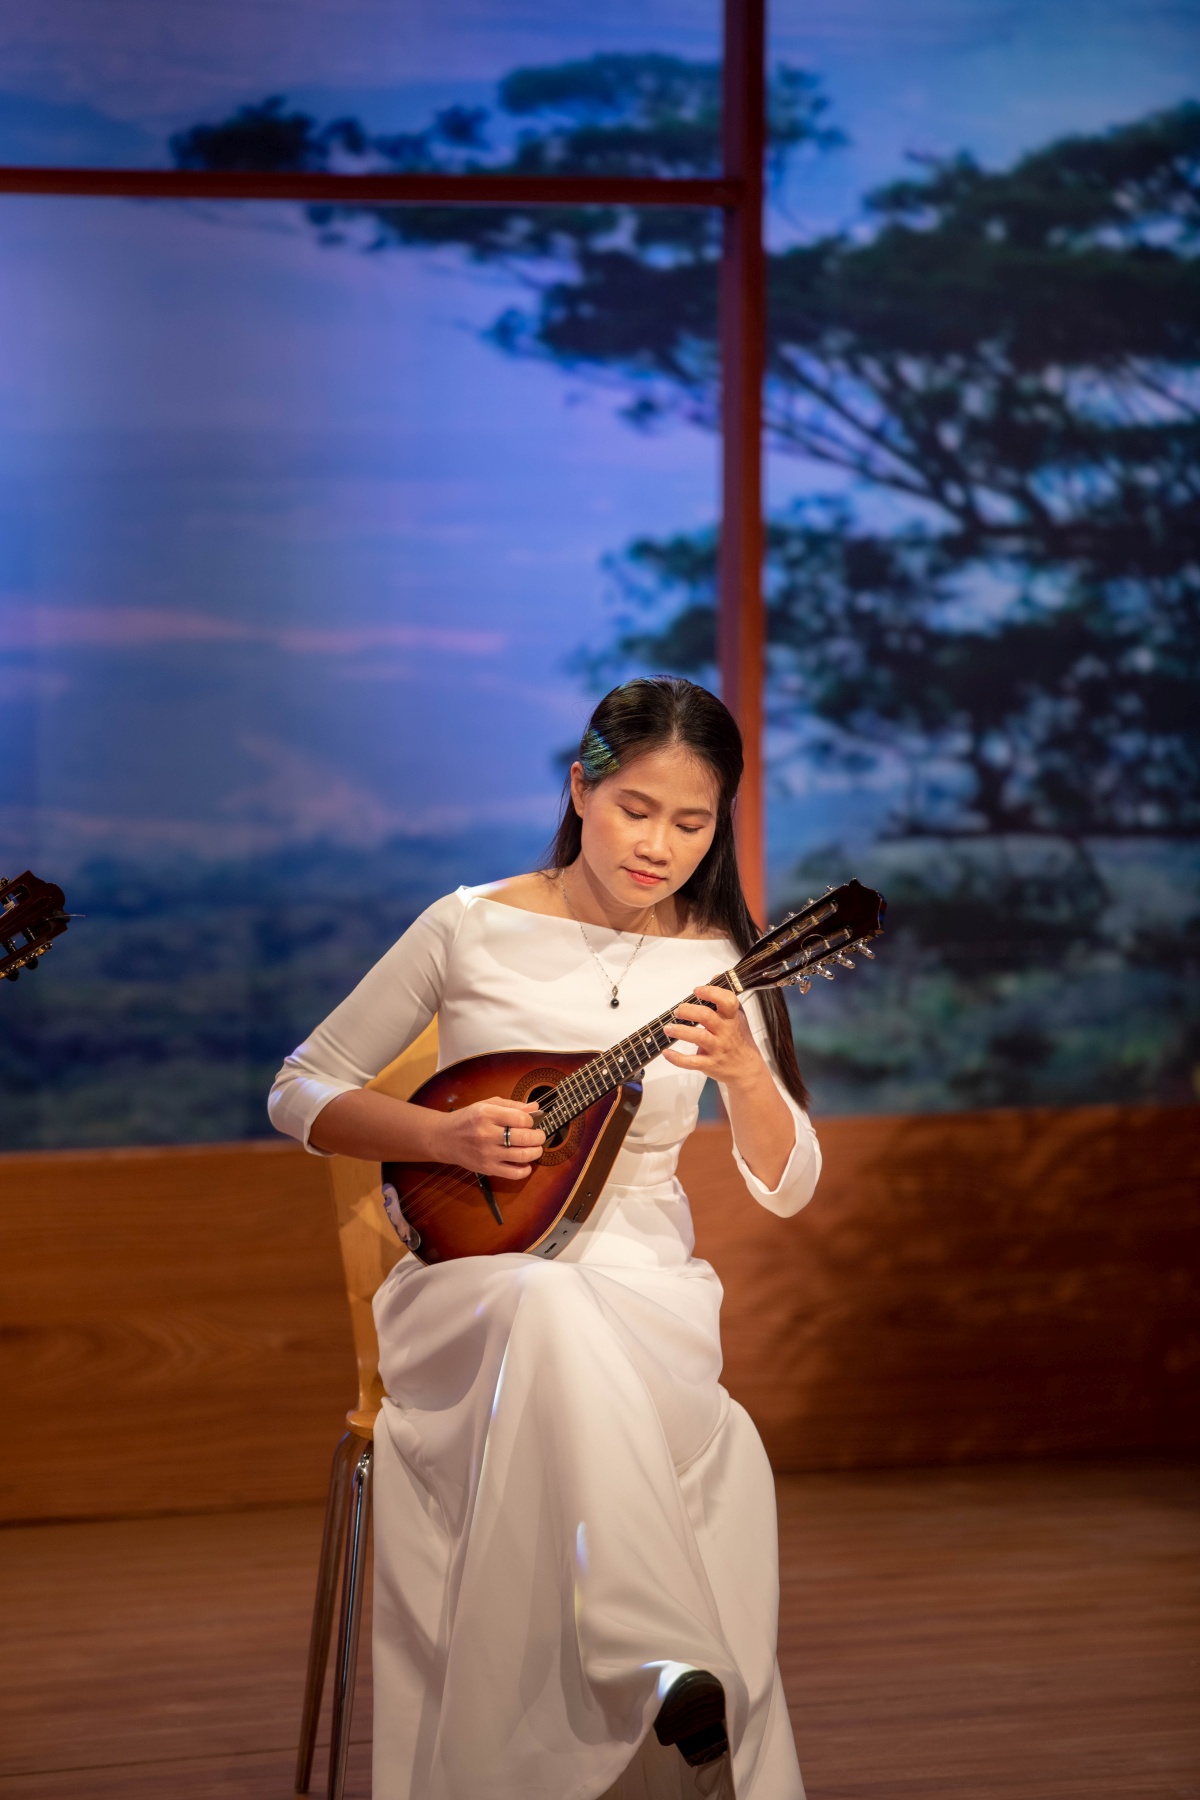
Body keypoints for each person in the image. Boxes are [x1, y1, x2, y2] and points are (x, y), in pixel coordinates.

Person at [269, 677, 820, 1800]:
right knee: (542, 1300)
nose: (657, 843)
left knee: (575, 1309)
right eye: (632, 807)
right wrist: (442, 1133)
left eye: (691, 821)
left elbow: (790, 1185)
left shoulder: (720, 962)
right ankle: (657, 1655)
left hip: (653, 1307)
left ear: (721, 827)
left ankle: (642, 1671)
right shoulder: (469, 924)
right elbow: (299, 1090)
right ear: (581, 789)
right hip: (469, 1293)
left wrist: (750, 1076)